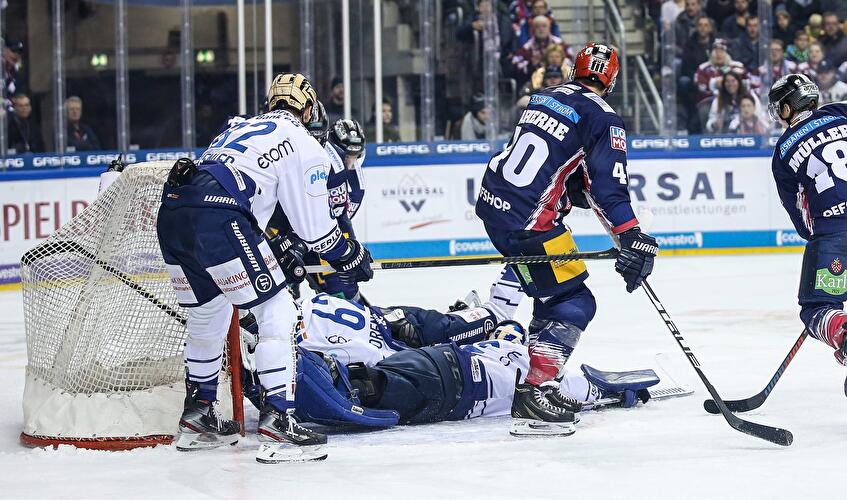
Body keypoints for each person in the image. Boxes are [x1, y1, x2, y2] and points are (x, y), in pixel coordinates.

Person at [156, 73, 373, 462]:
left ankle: (198, 416)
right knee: (277, 312)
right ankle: (278, 424)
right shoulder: (304, 143)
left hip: (173, 213)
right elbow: (316, 232)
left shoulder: (237, 125)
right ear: (309, 110)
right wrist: (350, 255)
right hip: (219, 217)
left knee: (208, 318)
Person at [476, 43, 658, 436]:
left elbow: (557, 164)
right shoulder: (604, 117)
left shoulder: (545, 96)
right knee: (575, 301)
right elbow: (608, 189)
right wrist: (632, 236)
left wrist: (580, 193)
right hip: (531, 224)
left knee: (553, 294)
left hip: (494, 207)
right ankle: (535, 391)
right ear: (611, 79)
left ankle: (543, 381)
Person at [768, 73, 847, 375]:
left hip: (835, 238)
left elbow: (802, 218)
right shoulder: (841, 112)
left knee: (819, 309)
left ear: (788, 108)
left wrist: (820, 241)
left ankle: (843, 332)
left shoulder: (785, 149)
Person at [510, 15, 570, 85]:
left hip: (562, 82)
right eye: (537, 26)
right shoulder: (526, 47)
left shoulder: (560, 44)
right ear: (533, 29)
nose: (541, 29)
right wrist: (530, 64)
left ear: (549, 28)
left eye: (544, 26)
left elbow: (571, 62)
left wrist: (560, 63)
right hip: (535, 84)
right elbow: (515, 64)